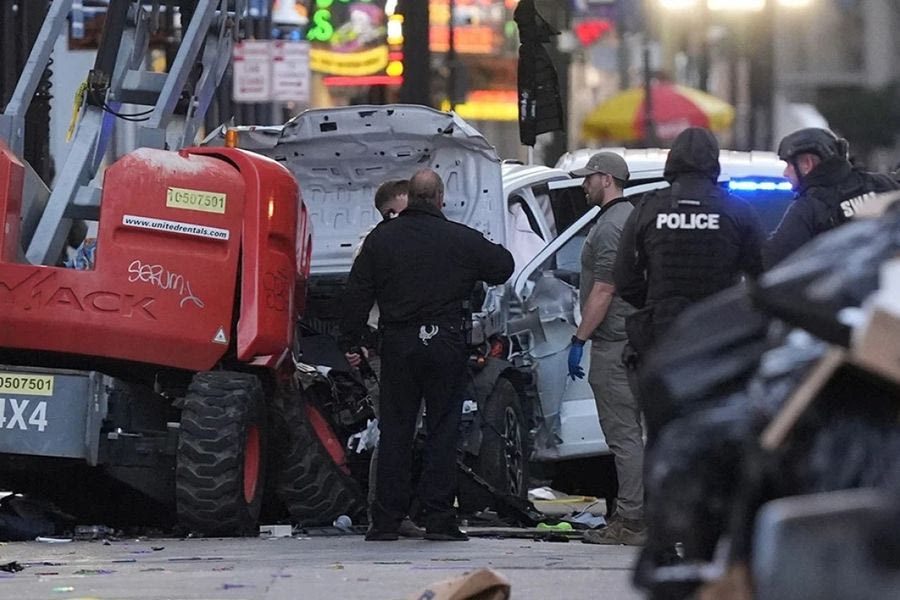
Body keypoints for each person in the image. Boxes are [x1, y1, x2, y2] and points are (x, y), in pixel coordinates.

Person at [341, 168, 514, 541]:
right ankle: (439, 519)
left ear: (412, 198)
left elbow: (355, 294)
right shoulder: (459, 238)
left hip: (399, 345)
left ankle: (386, 520)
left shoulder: (381, 240)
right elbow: (503, 265)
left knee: (396, 432)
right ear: (440, 199)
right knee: (442, 430)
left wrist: (352, 341)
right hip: (446, 343)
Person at [613, 127, 765, 441]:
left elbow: (624, 278)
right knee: (718, 434)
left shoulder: (648, 208)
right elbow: (762, 278)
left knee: (661, 435)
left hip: (661, 340)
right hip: (718, 340)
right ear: (714, 162)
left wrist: (657, 303)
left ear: (672, 160)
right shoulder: (737, 210)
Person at [566, 152, 646, 546]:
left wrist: (579, 338)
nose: (584, 185)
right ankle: (638, 514)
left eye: (589, 178)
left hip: (615, 342)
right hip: (627, 339)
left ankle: (630, 520)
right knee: (634, 433)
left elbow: (604, 289)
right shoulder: (625, 219)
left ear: (608, 179)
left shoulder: (613, 225)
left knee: (624, 435)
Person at [763, 127, 899, 269]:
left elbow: (773, 261)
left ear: (807, 164)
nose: (785, 173)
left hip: (841, 289)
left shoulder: (810, 207)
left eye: (789, 165)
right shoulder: (881, 183)